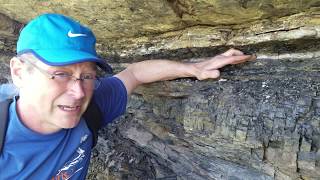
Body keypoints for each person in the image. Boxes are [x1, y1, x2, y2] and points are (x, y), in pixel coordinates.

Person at [0, 13, 255, 179]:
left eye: (88, 76)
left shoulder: (90, 107)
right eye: (60, 74)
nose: (78, 93)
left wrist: (194, 68)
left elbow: (134, 74)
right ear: (20, 72)